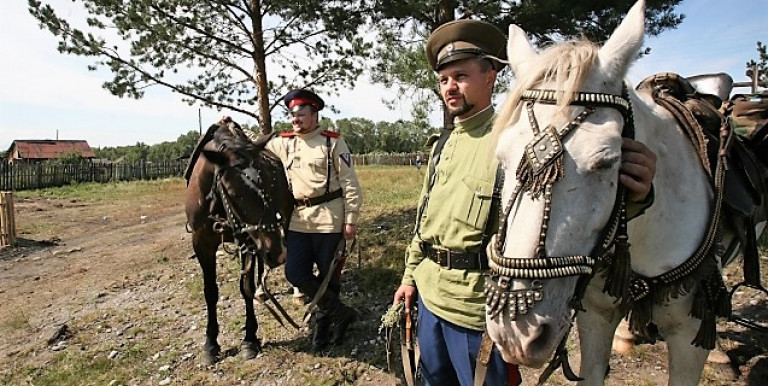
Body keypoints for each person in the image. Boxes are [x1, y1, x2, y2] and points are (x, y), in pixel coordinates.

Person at [392, 20, 657, 386]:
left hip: (479, 311)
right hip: (429, 299)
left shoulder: (517, 141)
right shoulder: (442, 145)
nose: (450, 87)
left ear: (492, 76)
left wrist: (638, 197)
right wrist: (409, 278)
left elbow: (574, 206)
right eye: (444, 79)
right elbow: (425, 221)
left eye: (461, 76)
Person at [265, 89, 363, 351]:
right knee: (295, 272)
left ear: (314, 114)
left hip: (330, 219)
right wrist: (229, 129)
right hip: (299, 221)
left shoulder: (332, 143)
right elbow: (256, 144)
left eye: (300, 115)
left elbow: (350, 183)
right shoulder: (285, 143)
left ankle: (323, 324)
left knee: (329, 276)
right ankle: (340, 313)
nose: (295, 120)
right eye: (292, 115)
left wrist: (351, 218)